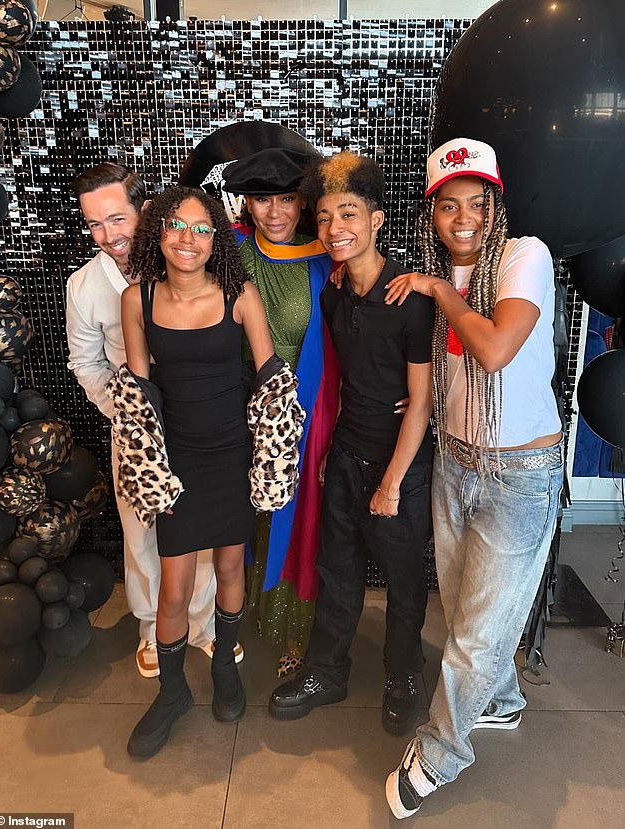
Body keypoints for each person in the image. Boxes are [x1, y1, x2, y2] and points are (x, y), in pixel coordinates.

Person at [385, 138, 564, 818]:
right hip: (456, 461)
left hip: (519, 473)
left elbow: (491, 349)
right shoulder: (439, 273)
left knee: (477, 636)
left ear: (497, 207)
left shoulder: (526, 256)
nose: (463, 218)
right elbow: (452, 368)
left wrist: (436, 289)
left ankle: (440, 753)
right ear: (433, 215)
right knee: (466, 613)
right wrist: (420, 402)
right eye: (448, 206)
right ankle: (505, 700)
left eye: (477, 204)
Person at [269, 152, 434, 736]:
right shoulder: (334, 293)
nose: (335, 227)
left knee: (404, 582)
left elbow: (422, 401)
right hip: (344, 456)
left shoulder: (412, 299)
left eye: (349, 213)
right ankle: (327, 672)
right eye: (324, 216)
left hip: (399, 467)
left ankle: (402, 678)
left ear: (377, 220)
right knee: (336, 569)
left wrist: (392, 482)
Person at [121, 185, 274, 758]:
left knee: (232, 563)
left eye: (202, 228)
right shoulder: (137, 298)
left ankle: (227, 672)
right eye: (177, 226)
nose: (188, 238)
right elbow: (139, 395)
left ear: (217, 239)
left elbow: (271, 380)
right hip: (177, 460)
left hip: (232, 455)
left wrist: (271, 461)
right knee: (174, 588)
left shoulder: (239, 293)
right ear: (157, 231)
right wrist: (148, 468)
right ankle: (171, 691)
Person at [66, 163, 223, 679]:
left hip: (197, 421)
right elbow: (86, 365)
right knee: (141, 536)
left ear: (145, 211)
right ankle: (152, 628)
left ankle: (201, 625)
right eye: (95, 224)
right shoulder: (85, 286)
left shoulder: (182, 258)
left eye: (117, 218)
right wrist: (128, 415)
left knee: (198, 529)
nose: (109, 234)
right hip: (135, 429)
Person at [221, 147, 339, 676]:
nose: (274, 212)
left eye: (287, 198)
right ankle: (230, 612)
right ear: (246, 203)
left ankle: (293, 627)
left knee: (297, 515)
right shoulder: (226, 251)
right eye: (262, 199)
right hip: (232, 406)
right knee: (239, 514)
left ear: (304, 202)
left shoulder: (324, 260)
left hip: (301, 407)